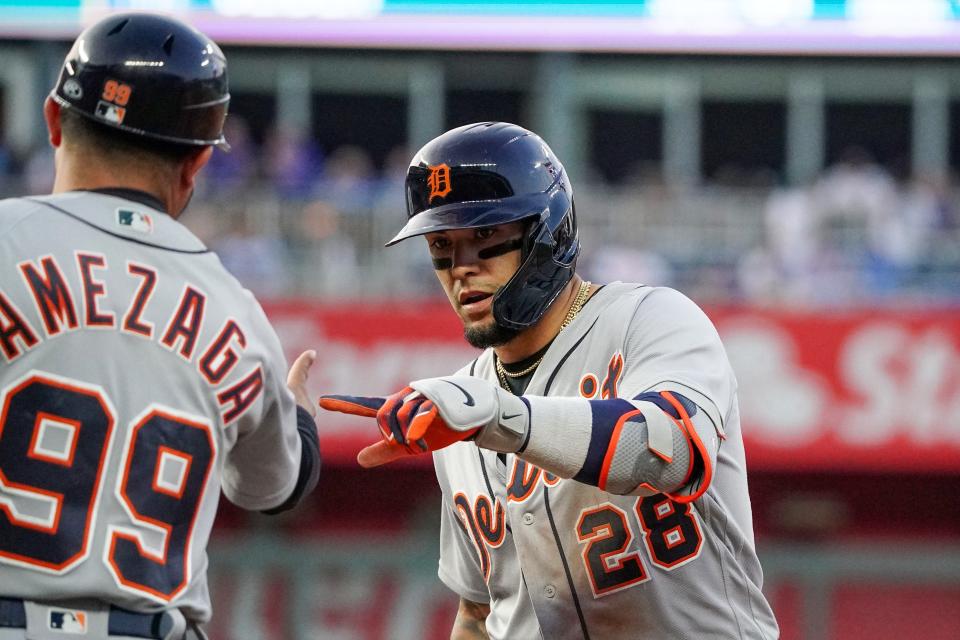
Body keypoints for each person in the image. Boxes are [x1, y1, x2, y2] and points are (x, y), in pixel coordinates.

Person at [321, 122, 778, 638]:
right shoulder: (459, 410)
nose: (460, 268)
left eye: (485, 236)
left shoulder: (649, 319)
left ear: (545, 232)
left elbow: (672, 452)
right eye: (442, 244)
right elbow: (477, 613)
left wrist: (499, 417)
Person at [0, 13, 321, 640]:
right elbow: (276, 489)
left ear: (54, 119)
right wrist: (300, 416)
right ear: (198, 162)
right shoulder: (237, 313)